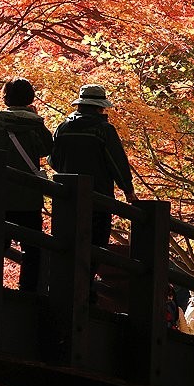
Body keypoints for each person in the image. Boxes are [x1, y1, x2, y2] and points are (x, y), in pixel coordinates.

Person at [50, 84, 137, 292]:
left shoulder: (62, 128)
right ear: (100, 108)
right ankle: (85, 290)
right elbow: (116, 162)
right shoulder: (103, 130)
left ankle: (63, 289)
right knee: (95, 245)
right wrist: (128, 190)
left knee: (66, 244)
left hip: (65, 198)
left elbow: (53, 161)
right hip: (98, 198)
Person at [0, 78, 54, 292]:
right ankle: (28, 290)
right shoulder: (36, 125)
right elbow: (47, 149)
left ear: (6, 97)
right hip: (29, 197)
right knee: (32, 247)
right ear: (30, 98)